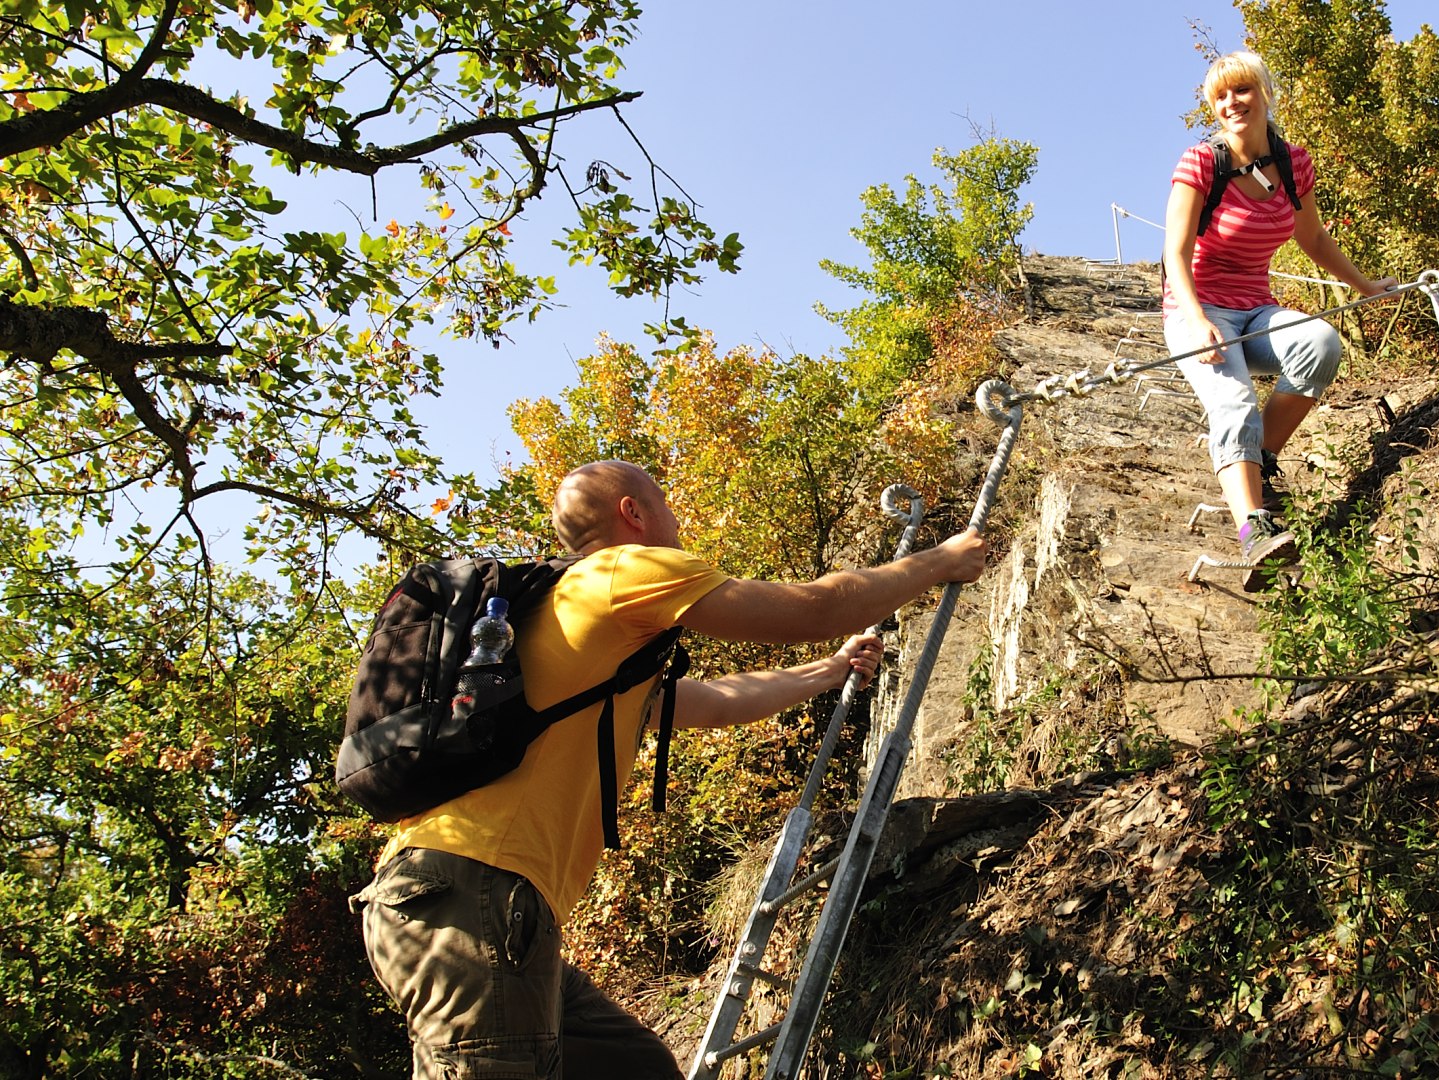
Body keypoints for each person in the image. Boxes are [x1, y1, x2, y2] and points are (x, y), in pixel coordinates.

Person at [352, 459, 987, 1079]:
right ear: (633, 512)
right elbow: (813, 609)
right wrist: (939, 561)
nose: (678, 524)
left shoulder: (575, 631)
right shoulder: (621, 571)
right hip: (479, 896)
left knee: (637, 1066)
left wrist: (830, 670)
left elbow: (714, 703)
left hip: (456, 900)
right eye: (666, 504)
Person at [1162, 50, 1397, 590]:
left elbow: (1310, 237)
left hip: (1256, 308)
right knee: (1234, 401)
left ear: (1265, 93)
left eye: (1241, 90)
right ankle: (1255, 528)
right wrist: (1197, 322)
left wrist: (1364, 286)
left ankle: (1259, 462)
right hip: (1199, 309)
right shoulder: (1201, 163)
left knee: (1320, 342)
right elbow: (1174, 252)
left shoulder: (1294, 164)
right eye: (1220, 97)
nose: (1231, 103)